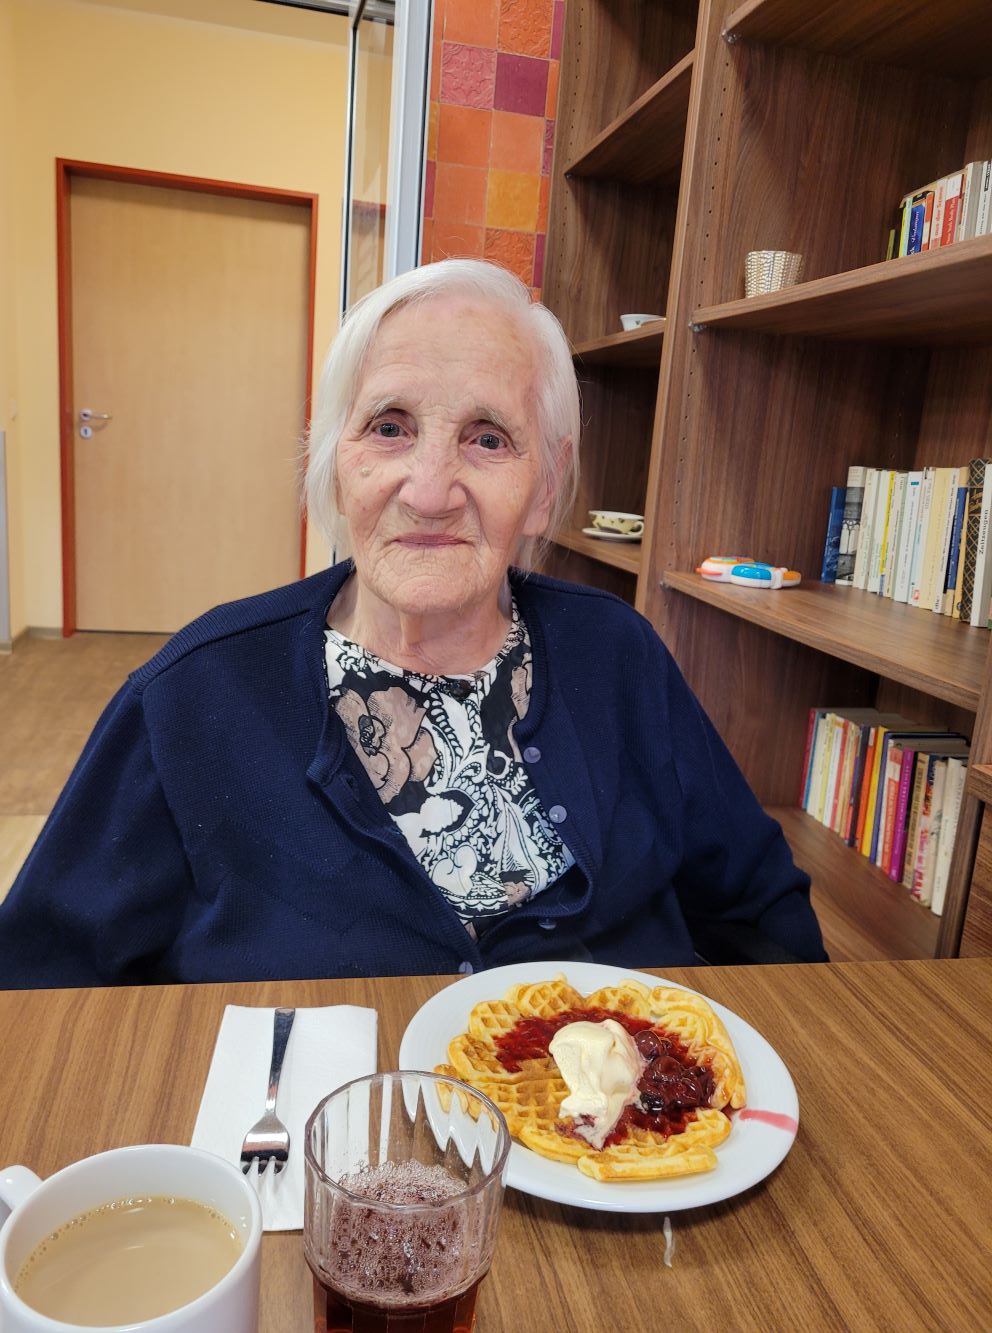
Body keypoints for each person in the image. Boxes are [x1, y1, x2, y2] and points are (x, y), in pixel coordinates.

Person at [0, 259, 826, 986]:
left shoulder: (618, 653)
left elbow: (762, 914)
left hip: (620, 1152)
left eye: (488, 438)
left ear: (546, 485)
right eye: (389, 427)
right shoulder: (191, 695)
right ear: (335, 458)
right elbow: (41, 981)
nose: (430, 489)